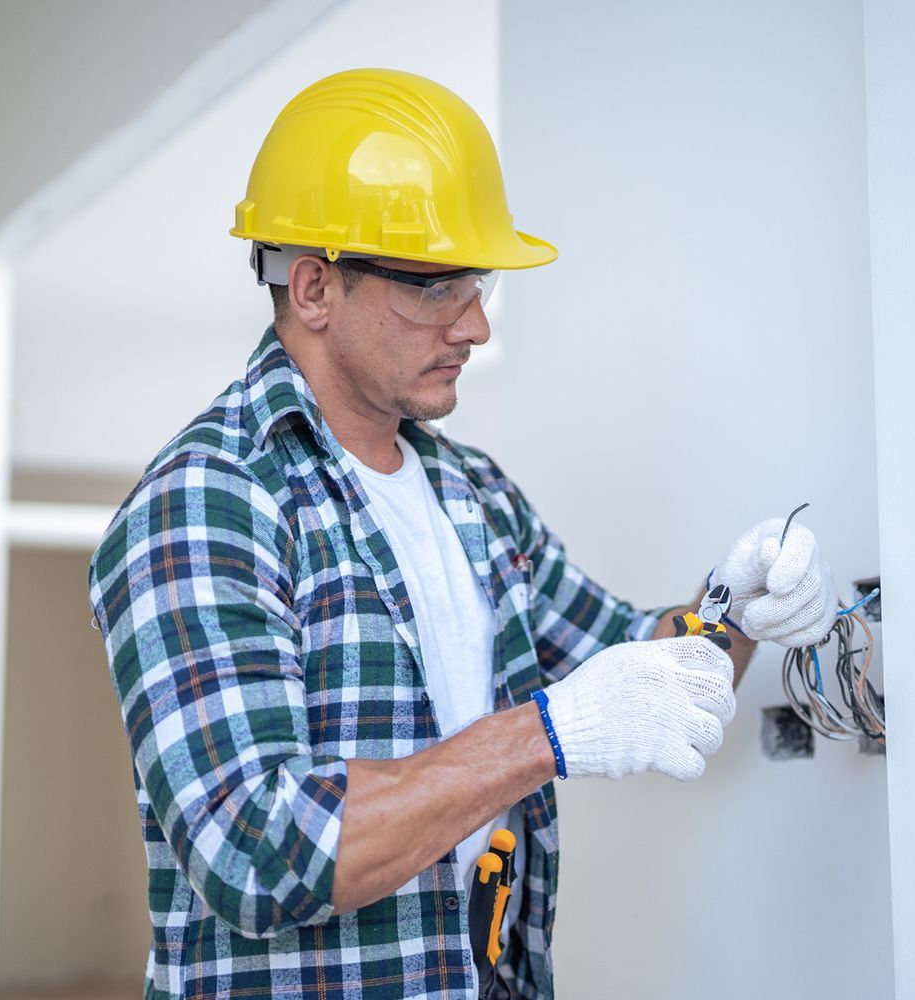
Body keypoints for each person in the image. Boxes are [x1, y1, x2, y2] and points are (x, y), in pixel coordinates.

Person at [87, 68, 838, 1000]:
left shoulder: (472, 495)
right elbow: (255, 850)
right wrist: (543, 734)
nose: (476, 324)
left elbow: (640, 673)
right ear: (316, 287)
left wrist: (736, 604)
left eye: (476, 282)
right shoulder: (206, 502)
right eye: (439, 286)